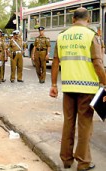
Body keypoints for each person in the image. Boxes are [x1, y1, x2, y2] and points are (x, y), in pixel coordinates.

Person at [49, 7, 106, 171]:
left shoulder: (62, 36)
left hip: (68, 87)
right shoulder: (91, 35)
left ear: (73, 20)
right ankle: (83, 162)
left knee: (68, 122)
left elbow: (55, 62)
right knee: (85, 125)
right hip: (87, 89)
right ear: (88, 20)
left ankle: (66, 160)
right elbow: (98, 63)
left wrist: (54, 85)